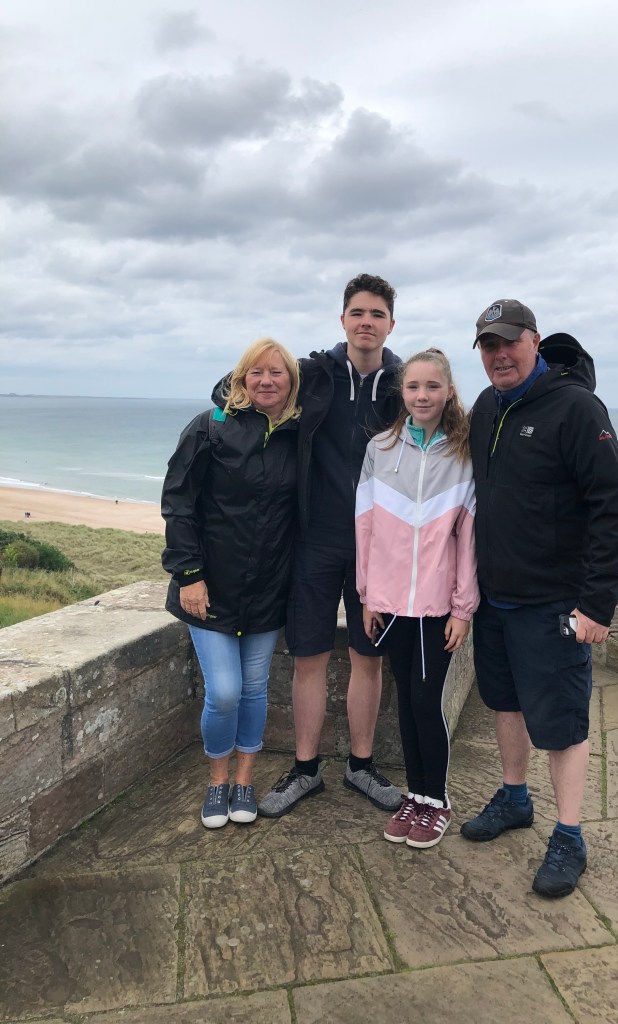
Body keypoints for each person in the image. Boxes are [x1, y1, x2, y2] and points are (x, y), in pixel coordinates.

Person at [461, 300, 618, 897]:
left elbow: (615, 511)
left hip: (555, 604)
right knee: (505, 704)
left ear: (534, 341)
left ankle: (569, 836)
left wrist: (597, 606)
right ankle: (515, 798)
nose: (499, 355)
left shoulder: (577, 408)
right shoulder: (486, 407)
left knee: (562, 724)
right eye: (488, 345)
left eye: (509, 341)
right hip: (496, 598)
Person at [259, 274, 403, 819]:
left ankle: (360, 766)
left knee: (369, 658)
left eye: (377, 314)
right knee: (309, 657)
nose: (367, 322)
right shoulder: (312, 374)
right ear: (342, 320)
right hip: (315, 540)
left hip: (376, 546)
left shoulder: (402, 383)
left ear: (391, 324)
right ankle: (305, 770)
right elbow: (236, 387)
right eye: (357, 312)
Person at [161, 338, 301, 829]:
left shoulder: (299, 435)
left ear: (291, 382)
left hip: (268, 588)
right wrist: (189, 575)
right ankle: (217, 782)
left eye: (277, 373)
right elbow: (178, 502)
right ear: (241, 378)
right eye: (256, 372)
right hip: (209, 589)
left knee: (254, 689)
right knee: (223, 692)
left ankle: (245, 781)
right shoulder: (209, 427)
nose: (266, 381)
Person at [356, 349, 479, 848]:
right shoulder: (380, 448)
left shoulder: (464, 454)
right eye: (413, 387)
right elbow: (365, 526)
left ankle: (437, 801)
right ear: (401, 392)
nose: (422, 396)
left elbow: (468, 538)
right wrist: (368, 595)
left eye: (432, 386)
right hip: (390, 605)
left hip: (436, 607)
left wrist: (462, 608)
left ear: (448, 391)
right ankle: (416, 794)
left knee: (427, 703)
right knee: (406, 703)